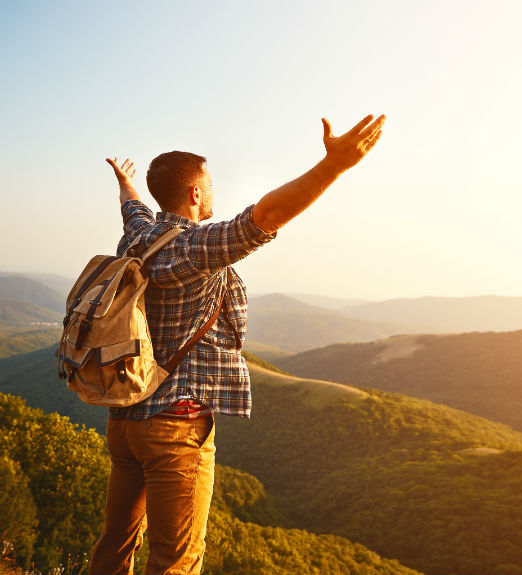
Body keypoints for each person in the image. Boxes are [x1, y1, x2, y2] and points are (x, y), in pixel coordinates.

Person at [89, 113, 385, 575]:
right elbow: (264, 217)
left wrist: (127, 184)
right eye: (209, 185)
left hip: (125, 422)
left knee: (115, 546)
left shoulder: (140, 236)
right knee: (175, 561)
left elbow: (132, 208)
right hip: (174, 427)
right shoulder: (195, 247)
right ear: (194, 194)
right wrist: (334, 166)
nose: (213, 193)